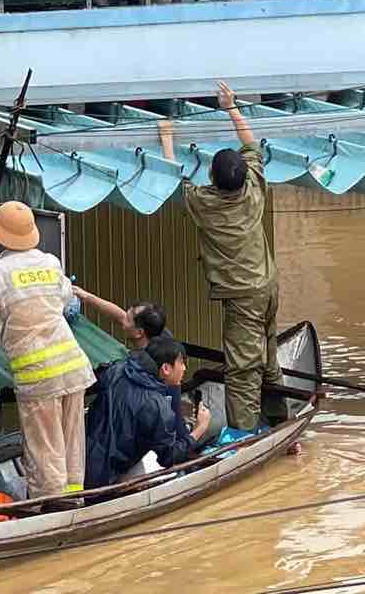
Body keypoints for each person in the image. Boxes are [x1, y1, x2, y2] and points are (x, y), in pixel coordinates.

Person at [159, 81, 282, 434]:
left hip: (242, 295)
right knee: (267, 355)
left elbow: (173, 178)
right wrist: (231, 107)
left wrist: (167, 137)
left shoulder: (205, 203)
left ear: (211, 176)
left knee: (243, 369)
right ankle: (278, 419)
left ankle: (244, 438)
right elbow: (251, 144)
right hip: (268, 285)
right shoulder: (255, 188)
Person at [0, 201, 96, 502]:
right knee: (72, 448)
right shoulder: (50, 262)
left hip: (38, 375)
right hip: (72, 365)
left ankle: (54, 510)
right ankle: (76, 502)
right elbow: (62, 301)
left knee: (46, 453)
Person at [83, 336, 211, 489]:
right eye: (181, 363)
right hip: (105, 480)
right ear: (166, 369)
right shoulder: (158, 407)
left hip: (78, 458)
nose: (184, 369)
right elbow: (169, 457)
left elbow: (86, 386)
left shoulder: (116, 369)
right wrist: (199, 429)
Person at [72, 287, 170, 348]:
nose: (123, 319)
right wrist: (85, 296)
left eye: (127, 320)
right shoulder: (157, 331)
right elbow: (119, 315)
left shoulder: (146, 364)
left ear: (139, 333)